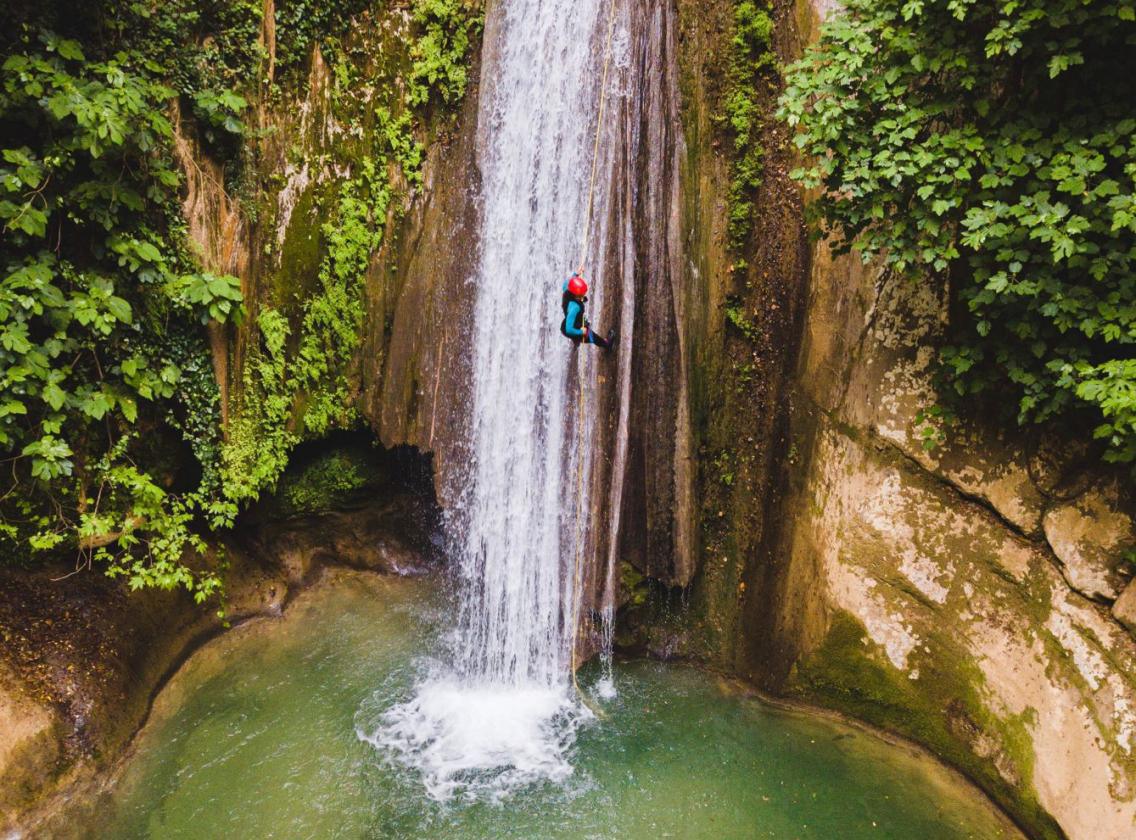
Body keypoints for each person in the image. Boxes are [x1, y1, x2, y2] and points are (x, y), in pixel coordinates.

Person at [560, 273, 617, 350]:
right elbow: (569, 329)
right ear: (576, 295)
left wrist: (575, 276)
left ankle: (576, 339)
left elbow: (568, 281)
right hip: (571, 327)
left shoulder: (567, 288)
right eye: (581, 295)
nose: (583, 295)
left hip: (572, 320)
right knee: (591, 336)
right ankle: (607, 344)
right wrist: (581, 332)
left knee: (579, 320)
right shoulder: (575, 308)